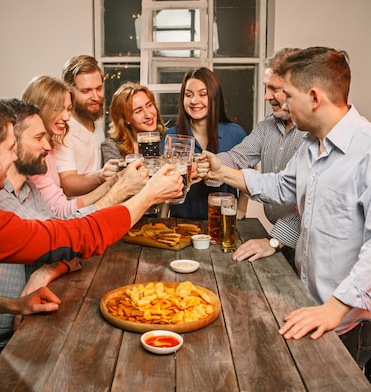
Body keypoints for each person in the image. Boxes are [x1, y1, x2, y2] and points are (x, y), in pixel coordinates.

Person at [0, 91, 183, 392]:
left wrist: (12, 304)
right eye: (7, 150)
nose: (12, 158)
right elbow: (70, 235)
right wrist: (146, 196)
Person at [196, 47, 371, 376]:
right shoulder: (310, 145)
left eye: (288, 95)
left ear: (314, 97)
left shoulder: (366, 151)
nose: (282, 103)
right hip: (308, 307)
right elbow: (280, 186)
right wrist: (220, 171)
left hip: (345, 323)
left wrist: (335, 308)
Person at [204, 48, 305, 265]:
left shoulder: (312, 133)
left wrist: (274, 241)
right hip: (282, 241)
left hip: (306, 246)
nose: (267, 96)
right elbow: (238, 157)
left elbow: (306, 202)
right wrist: (206, 166)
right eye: (266, 88)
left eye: (274, 89)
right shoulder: (267, 125)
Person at [22, 76, 137, 217]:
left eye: (69, 109)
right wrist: (113, 184)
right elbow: (61, 209)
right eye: (57, 109)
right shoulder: (34, 154)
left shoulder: (51, 146)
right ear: (38, 109)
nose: (66, 117)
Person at [163, 67, 246, 219]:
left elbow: (247, 177)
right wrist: (162, 220)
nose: (195, 101)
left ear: (214, 97)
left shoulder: (236, 134)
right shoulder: (171, 136)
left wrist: (241, 211)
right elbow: (164, 183)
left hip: (223, 222)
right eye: (189, 95)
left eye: (203, 94)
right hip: (180, 223)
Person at [56, 55, 120, 196]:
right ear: (69, 91)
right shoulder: (63, 128)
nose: (95, 97)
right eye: (85, 91)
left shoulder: (93, 117)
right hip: (74, 214)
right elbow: (67, 183)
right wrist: (101, 175)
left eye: (98, 88)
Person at [101, 82, 166, 162]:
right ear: (125, 119)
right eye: (138, 111)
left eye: (149, 105)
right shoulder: (112, 146)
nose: (148, 115)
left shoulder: (168, 137)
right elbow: (116, 174)